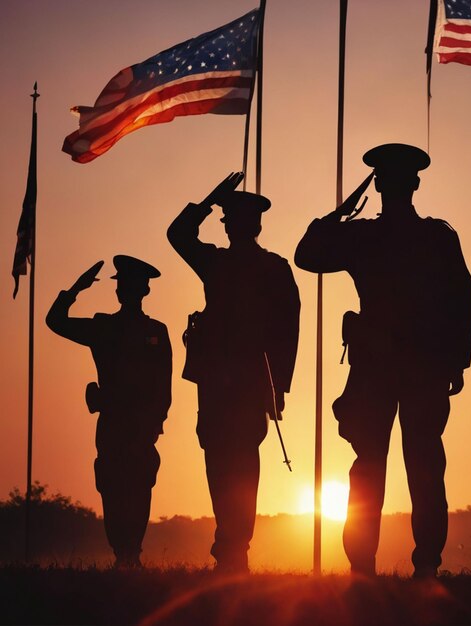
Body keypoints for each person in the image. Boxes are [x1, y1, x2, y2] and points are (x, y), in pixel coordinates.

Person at [295, 144, 471, 577]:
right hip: (418, 367)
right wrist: (456, 362)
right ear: (414, 184)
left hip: (382, 368)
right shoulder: (436, 236)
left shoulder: (364, 236)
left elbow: (308, 253)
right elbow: (462, 301)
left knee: (373, 467)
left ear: (378, 185)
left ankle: (363, 566)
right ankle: (426, 565)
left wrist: (339, 213)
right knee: (424, 468)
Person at [167, 172, 300, 575]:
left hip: (240, 381)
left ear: (247, 226)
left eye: (231, 218)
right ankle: (232, 544)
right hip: (228, 379)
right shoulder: (230, 264)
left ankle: (233, 546)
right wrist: (279, 387)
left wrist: (279, 388)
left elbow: (286, 329)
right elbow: (176, 235)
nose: (231, 226)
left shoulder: (234, 265)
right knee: (228, 461)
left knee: (233, 463)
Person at [46, 255, 172, 568]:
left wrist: (153, 424)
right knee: (114, 489)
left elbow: (163, 387)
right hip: (114, 421)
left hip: (139, 424)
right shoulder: (104, 327)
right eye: (124, 285)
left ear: (144, 291)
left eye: (132, 285)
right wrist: (76, 289)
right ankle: (123, 555)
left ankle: (132, 554)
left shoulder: (155, 330)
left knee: (138, 488)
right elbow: (55, 321)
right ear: (119, 292)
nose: (126, 291)